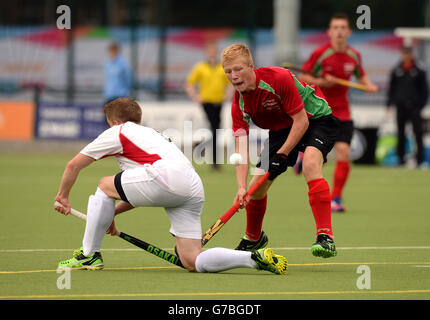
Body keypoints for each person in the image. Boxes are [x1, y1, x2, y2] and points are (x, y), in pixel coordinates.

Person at [54, 97, 287, 275]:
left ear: (114, 122)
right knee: (192, 260)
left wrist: (63, 196)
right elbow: (146, 191)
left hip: (165, 179)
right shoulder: (152, 134)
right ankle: (252, 259)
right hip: (191, 185)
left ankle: (88, 255)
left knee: (104, 184)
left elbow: (74, 165)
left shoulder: (119, 131)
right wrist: (106, 215)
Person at [222, 44, 339, 258]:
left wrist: (282, 154)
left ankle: (325, 237)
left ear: (251, 66)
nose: (233, 76)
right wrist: (240, 188)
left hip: (316, 119)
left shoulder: (278, 78)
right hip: (282, 129)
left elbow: (301, 121)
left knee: (311, 164)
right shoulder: (239, 104)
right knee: (254, 188)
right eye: (228, 71)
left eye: (238, 69)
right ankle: (253, 238)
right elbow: (241, 148)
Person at [298, 13, 378, 213]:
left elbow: (361, 75)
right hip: (321, 111)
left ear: (349, 32)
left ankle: (336, 198)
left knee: (343, 153)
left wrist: (368, 85)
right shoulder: (320, 54)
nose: (339, 31)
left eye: (343, 27)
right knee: (316, 158)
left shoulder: (354, 56)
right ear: (329, 32)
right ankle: (302, 156)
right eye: (335, 28)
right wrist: (323, 82)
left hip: (343, 112)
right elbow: (303, 76)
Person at [185, 41, 234, 170]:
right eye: (210, 51)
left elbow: (229, 82)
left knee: (215, 129)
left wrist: (228, 95)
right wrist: (195, 97)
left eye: (214, 51)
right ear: (207, 53)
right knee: (215, 128)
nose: (212, 54)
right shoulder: (201, 67)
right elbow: (190, 83)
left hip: (219, 102)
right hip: (206, 102)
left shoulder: (222, 67)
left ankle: (203, 147)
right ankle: (214, 161)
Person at [386, 45, 428, 168]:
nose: (406, 56)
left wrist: (420, 105)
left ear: (411, 54)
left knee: (418, 134)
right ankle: (400, 160)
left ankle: (420, 161)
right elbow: (392, 89)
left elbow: (424, 90)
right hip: (401, 107)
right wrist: (389, 104)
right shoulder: (397, 70)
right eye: (404, 53)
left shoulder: (419, 70)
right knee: (400, 133)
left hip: (415, 108)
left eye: (408, 53)